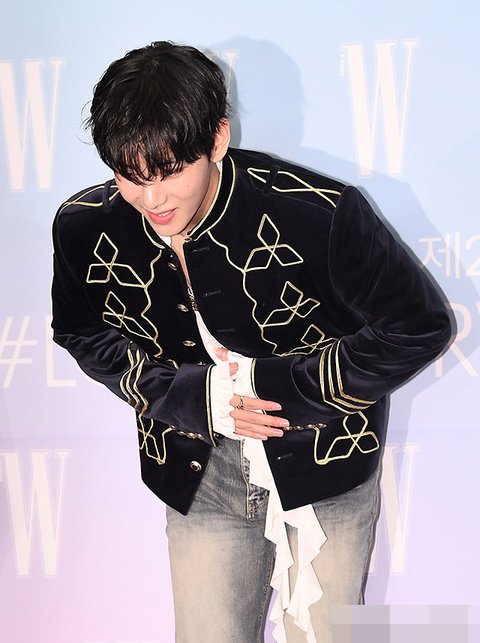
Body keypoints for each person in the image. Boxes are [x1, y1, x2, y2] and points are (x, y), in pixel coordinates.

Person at [51, 41, 451, 643]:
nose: (151, 199)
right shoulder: (86, 225)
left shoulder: (317, 213)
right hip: (197, 469)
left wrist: (290, 387)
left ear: (217, 138)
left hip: (325, 462)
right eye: (129, 176)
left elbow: (420, 325)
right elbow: (80, 331)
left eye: (169, 172)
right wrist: (187, 396)